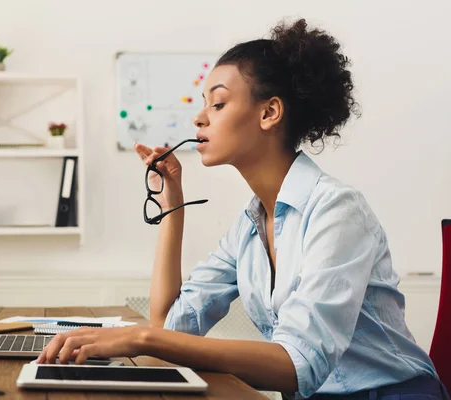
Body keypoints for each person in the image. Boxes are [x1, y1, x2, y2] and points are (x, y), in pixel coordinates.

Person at [37, 18, 444, 399]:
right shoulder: (249, 226)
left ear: (269, 112)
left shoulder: (337, 211)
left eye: (217, 104)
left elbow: (297, 364)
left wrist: (141, 338)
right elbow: (169, 326)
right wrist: (173, 208)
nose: (198, 118)